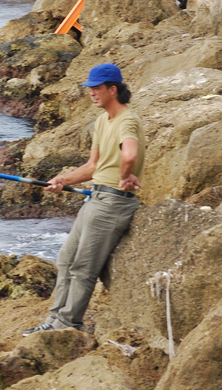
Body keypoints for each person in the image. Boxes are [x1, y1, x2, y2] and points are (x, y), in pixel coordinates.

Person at [23, 63, 145, 335]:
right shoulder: (103, 121)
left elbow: (130, 155)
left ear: (113, 90)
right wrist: (63, 180)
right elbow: (93, 166)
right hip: (97, 198)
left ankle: (68, 324)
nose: (91, 93)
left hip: (114, 203)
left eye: (96, 88)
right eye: (89, 89)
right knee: (66, 259)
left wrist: (126, 176)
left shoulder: (127, 119)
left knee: (83, 268)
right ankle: (54, 320)